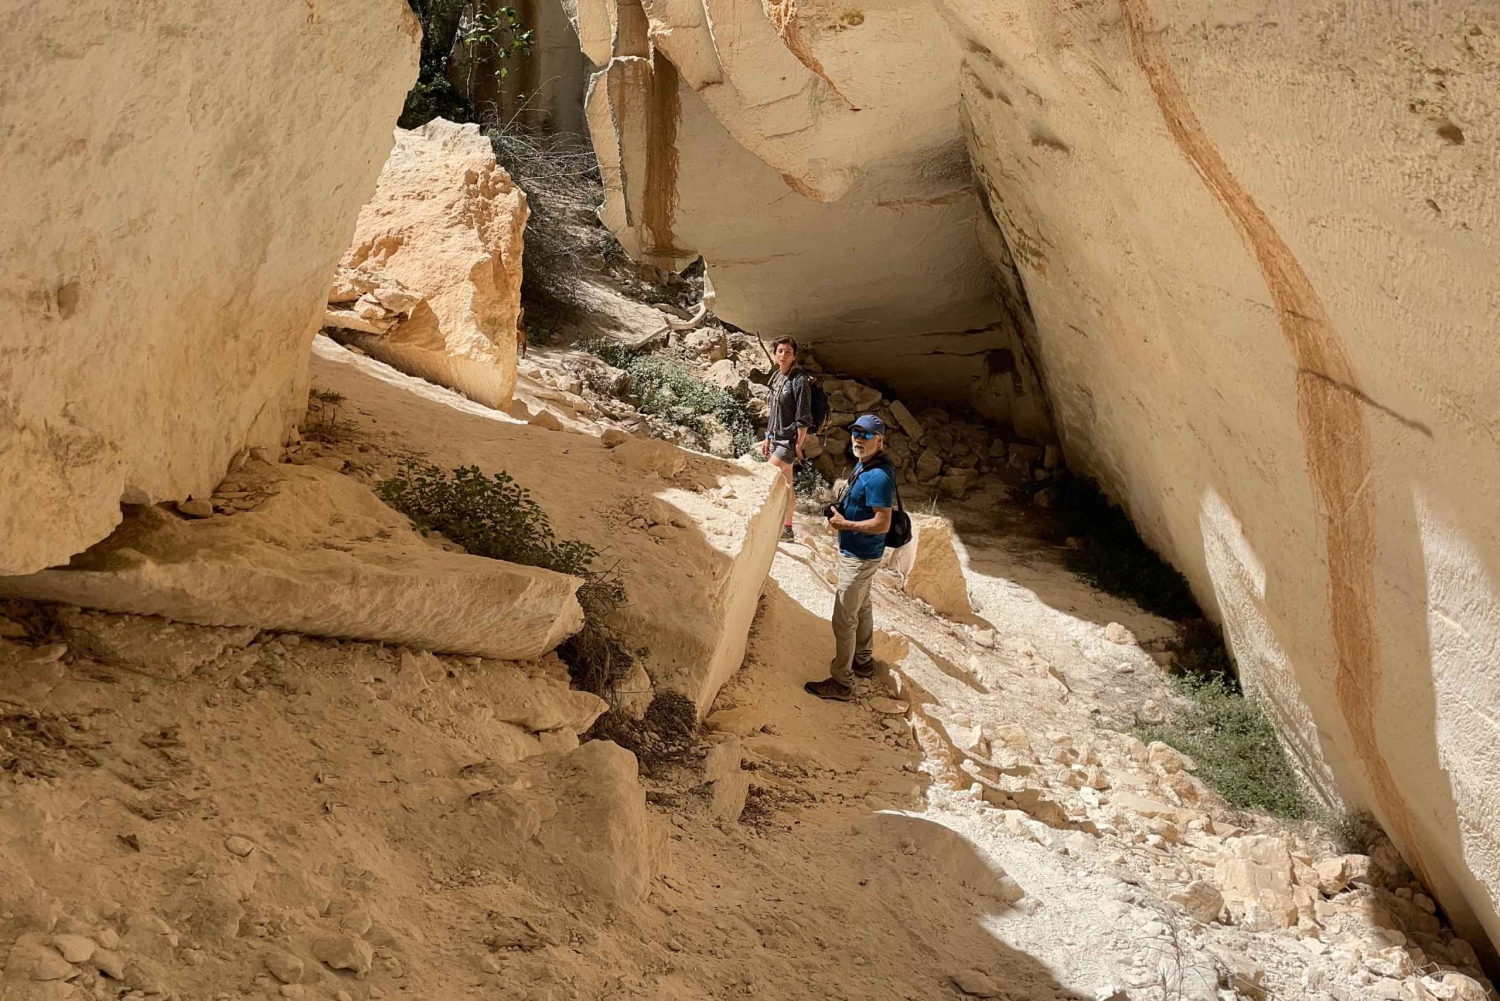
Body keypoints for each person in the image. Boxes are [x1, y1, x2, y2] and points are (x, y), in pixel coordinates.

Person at [805, 414, 894, 701]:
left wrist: (846, 524)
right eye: (856, 433)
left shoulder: (878, 476)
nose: (858, 439)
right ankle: (862, 661)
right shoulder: (865, 464)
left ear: (880, 440)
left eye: (866, 435)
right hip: (859, 552)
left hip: (860, 555)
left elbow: (882, 523)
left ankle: (842, 683)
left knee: (844, 618)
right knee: (863, 605)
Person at [760, 336, 812, 542]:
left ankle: (763, 524)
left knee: (765, 477)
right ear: (775, 354)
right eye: (780, 351)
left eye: (787, 352)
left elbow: (804, 416)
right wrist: (767, 436)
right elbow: (774, 411)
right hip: (776, 439)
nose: (783, 355)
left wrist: (798, 445)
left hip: (788, 441)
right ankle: (787, 529)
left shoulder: (799, 381)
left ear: (794, 356)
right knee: (787, 485)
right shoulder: (778, 377)